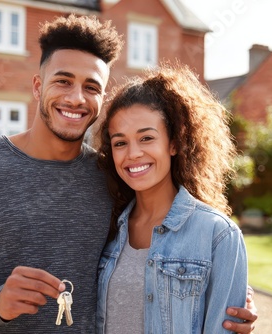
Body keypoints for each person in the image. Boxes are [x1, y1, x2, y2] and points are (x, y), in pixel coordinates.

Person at [0, 15, 257, 333]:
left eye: (91, 87)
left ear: (102, 96)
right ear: (37, 86)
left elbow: (157, 261)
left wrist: (220, 293)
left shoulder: (114, 176)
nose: (76, 98)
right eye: (63, 81)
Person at [95, 61, 250, 333]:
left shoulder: (218, 235)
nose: (132, 154)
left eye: (146, 138)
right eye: (120, 142)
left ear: (175, 143)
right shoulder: (106, 226)